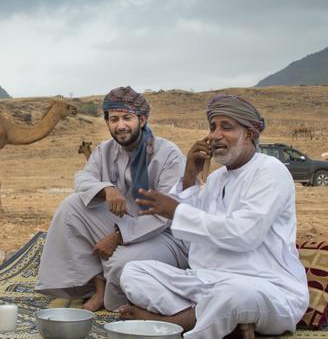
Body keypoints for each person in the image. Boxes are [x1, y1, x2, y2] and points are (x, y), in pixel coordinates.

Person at [119, 94, 309, 338]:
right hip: (206, 281)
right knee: (134, 272)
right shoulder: (217, 179)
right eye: (212, 127)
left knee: (232, 296)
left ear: (249, 134)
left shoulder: (270, 171)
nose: (214, 135)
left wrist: (176, 211)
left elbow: (243, 235)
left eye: (226, 127)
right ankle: (212, 319)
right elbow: (194, 238)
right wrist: (189, 176)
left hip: (263, 285)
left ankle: (178, 322)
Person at [35, 86, 189, 311]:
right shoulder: (105, 150)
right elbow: (82, 179)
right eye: (114, 119)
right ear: (107, 122)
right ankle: (99, 288)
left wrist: (118, 237)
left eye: (127, 118)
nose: (120, 125)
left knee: (121, 264)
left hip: (164, 235)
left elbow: (165, 213)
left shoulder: (167, 154)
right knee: (71, 207)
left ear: (142, 119)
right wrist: (107, 189)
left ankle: (117, 301)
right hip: (125, 222)